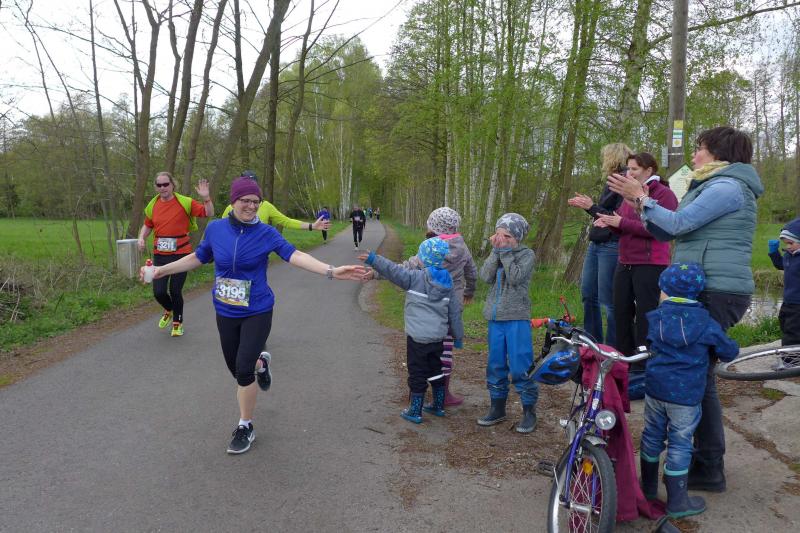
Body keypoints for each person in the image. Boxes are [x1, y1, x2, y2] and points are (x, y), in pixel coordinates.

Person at [141, 177, 365, 454]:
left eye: (255, 202)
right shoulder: (216, 229)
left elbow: (295, 255)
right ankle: (262, 363)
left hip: (257, 309)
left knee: (243, 370)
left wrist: (331, 270)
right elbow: (198, 257)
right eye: (245, 201)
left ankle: (245, 425)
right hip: (225, 309)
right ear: (233, 201)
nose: (250, 206)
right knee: (236, 369)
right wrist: (161, 270)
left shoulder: (266, 233)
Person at [608, 126, 763, 492]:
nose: (694, 156)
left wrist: (642, 199)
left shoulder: (727, 187)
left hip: (716, 290)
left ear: (719, 153)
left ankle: (708, 466)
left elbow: (678, 223)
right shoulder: (710, 185)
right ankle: (704, 462)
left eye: (700, 149)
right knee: (699, 377)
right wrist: (640, 203)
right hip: (704, 287)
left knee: (699, 378)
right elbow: (665, 231)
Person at [639, 262, 737, 519]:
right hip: (686, 397)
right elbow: (729, 351)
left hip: (655, 390)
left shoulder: (655, 318)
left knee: (651, 436)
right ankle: (677, 501)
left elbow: (649, 343)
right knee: (680, 444)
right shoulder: (707, 323)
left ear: (666, 291)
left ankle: (647, 490)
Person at [362, 207, 477, 406]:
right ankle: (443, 394)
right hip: (450, 305)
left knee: (419, 350)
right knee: (444, 351)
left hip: (425, 306)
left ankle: (416, 392)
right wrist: (469, 292)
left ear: (435, 227)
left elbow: (404, 270)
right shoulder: (462, 247)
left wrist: (376, 273)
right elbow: (472, 272)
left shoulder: (430, 250)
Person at [361, 237, 464, 424]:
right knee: (436, 368)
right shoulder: (447, 282)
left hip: (417, 338)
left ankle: (415, 410)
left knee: (417, 371)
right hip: (438, 337)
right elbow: (455, 312)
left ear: (424, 258)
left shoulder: (414, 278)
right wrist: (457, 336)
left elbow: (393, 271)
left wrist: (374, 259)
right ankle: (438, 405)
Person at [595, 152, 678, 359]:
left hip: (650, 263)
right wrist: (610, 223)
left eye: (634, 169)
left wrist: (620, 223)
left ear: (649, 171)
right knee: (621, 313)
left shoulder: (664, 194)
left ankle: (643, 361)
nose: (629, 173)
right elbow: (624, 226)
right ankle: (624, 360)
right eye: (628, 169)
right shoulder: (628, 195)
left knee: (645, 315)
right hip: (625, 261)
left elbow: (657, 229)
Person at [477, 213, 538, 433]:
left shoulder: (526, 254)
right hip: (495, 318)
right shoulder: (497, 251)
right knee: (495, 364)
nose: (502, 239)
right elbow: (485, 276)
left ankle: (529, 411)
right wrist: (496, 252)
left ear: (517, 238)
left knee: (521, 365)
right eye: (499, 234)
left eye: (508, 236)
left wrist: (504, 253)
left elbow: (515, 278)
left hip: (516, 318)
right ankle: (497, 407)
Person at [567, 142, 631, 345]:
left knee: (608, 301)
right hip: (597, 243)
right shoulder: (612, 181)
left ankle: (612, 349)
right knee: (588, 294)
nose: (603, 161)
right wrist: (590, 206)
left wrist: (591, 206)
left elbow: (618, 217)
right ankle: (592, 343)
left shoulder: (625, 182)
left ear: (613, 158)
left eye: (605, 157)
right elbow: (602, 213)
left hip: (611, 245)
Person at [137, 172, 214, 337]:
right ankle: (169, 309)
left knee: (175, 290)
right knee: (158, 292)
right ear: (156, 187)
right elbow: (147, 225)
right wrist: (141, 237)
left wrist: (206, 198)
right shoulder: (153, 205)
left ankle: (177, 323)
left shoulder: (185, 202)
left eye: (166, 184)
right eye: (159, 185)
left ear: (172, 184)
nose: (163, 188)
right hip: (160, 255)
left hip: (181, 255)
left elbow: (208, 213)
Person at [220, 170, 330, 233]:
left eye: (253, 185)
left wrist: (311, 226)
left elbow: (286, 221)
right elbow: (221, 231)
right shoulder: (231, 208)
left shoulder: (266, 206)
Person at [768, 217, 800, 363]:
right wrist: (774, 253)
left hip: (798, 303)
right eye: (786, 243)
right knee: (785, 325)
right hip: (788, 301)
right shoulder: (788, 255)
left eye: (791, 243)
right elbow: (781, 265)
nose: (787, 246)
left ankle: (790, 362)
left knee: (792, 332)